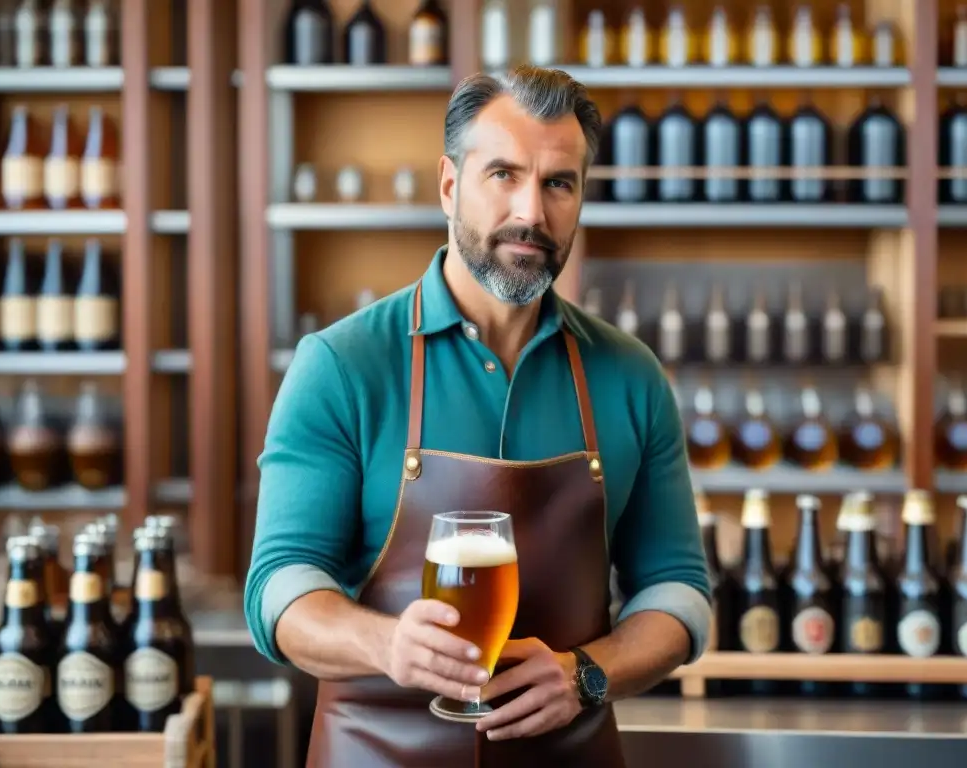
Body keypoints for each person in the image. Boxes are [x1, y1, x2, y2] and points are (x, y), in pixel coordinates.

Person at [244, 65, 712, 768]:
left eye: (560, 182)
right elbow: (279, 587)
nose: (532, 211)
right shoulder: (341, 366)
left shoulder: (629, 375)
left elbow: (680, 593)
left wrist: (588, 674)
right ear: (448, 185)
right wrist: (386, 644)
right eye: (503, 174)